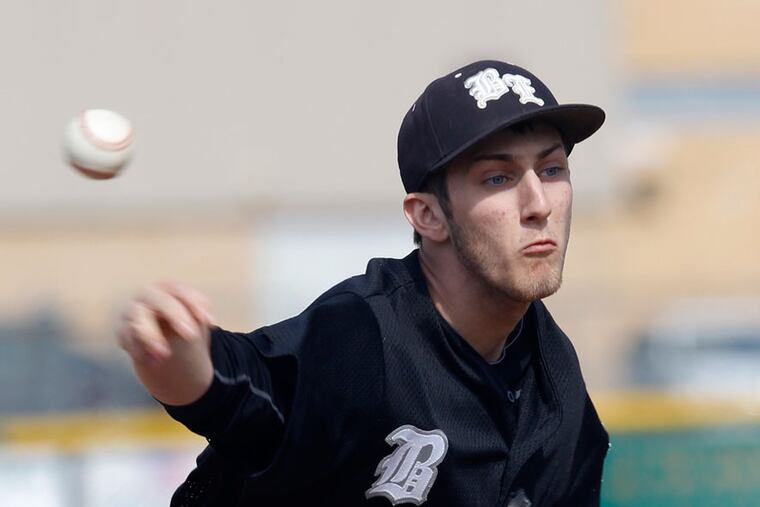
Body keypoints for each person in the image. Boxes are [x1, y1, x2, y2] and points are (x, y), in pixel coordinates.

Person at [117, 59, 609, 507]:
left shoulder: (555, 385)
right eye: (497, 178)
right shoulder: (362, 340)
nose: (539, 203)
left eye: (551, 169)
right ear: (428, 215)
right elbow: (241, 388)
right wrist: (176, 353)